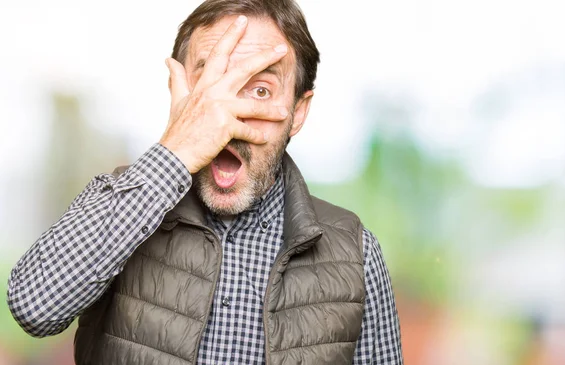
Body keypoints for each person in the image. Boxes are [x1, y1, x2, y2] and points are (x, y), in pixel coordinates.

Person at [7, 0, 403, 364]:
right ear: (178, 94)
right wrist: (177, 149)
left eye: (260, 90)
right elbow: (34, 307)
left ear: (298, 112)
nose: (227, 118)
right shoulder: (116, 205)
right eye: (212, 87)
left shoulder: (356, 253)